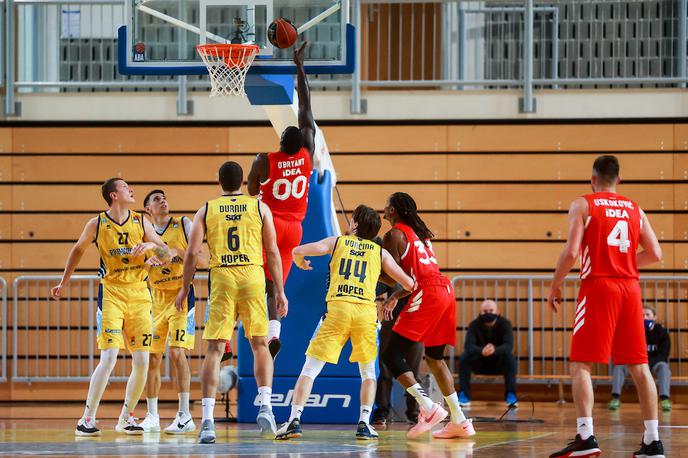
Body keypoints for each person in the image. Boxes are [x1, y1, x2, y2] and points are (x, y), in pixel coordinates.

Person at [547, 155, 665, 458]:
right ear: (619, 181)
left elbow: (572, 252)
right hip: (629, 288)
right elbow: (655, 253)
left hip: (598, 286)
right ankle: (652, 442)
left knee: (581, 363)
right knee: (639, 366)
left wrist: (555, 284)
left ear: (593, 179)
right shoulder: (635, 209)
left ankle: (586, 437)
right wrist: (623, 264)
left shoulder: (584, 204)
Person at [274, 205, 415, 441]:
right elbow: (409, 284)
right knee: (368, 373)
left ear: (356, 225)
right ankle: (363, 423)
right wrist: (386, 286)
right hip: (365, 314)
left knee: (310, 370)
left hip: (337, 310)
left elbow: (301, 249)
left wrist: (299, 259)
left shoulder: (338, 242)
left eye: (351, 220)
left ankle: (294, 421)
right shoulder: (380, 253)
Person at [176, 161, 288, 444]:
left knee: (214, 350)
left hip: (223, 277)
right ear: (242, 181)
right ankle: (266, 407)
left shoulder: (207, 209)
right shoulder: (260, 207)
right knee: (260, 344)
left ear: (219, 181)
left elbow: (192, 253)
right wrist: (281, 291)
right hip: (253, 275)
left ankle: (208, 422)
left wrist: (184, 286)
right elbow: (273, 251)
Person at [51, 178, 170, 436]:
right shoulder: (97, 224)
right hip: (112, 294)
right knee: (109, 358)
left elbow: (167, 255)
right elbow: (77, 250)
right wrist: (63, 282)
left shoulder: (141, 222)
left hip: (140, 296)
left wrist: (152, 245)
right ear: (114, 195)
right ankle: (87, 418)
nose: (132, 190)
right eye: (126, 187)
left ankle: (126, 417)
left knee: (142, 361)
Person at [379, 192, 475, 440]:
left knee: (390, 355)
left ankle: (429, 407)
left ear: (393, 211)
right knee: (435, 358)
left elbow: (391, 276)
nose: (383, 212)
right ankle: (460, 421)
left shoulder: (394, 235)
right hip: (444, 289)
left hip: (428, 293)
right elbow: (415, 279)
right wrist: (396, 297)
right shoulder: (422, 235)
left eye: (386, 208)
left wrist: (369, 267)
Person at [247, 42, 315, 360]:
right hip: (296, 229)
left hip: (270, 224)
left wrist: (259, 187)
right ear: (303, 141)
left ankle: (241, 335)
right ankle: (275, 334)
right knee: (277, 285)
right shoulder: (307, 152)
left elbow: (249, 190)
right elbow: (306, 112)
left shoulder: (265, 159)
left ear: (280, 142)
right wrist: (300, 68)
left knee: (255, 279)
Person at [139, 189, 199, 434]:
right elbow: (134, 269)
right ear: (147, 209)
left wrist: (177, 252)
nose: (163, 200)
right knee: (151, 358)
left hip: (181, 297)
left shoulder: (184, 224)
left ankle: (185, 415)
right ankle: (152, 415)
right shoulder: (143, 233)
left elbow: (202, 259)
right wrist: (145, 263)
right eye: (156, 199)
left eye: (164, 197)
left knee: (176, 353)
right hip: (155, 301)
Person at [371, 281, 422, 426]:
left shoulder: (421, 271)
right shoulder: (393, 268)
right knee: (384, 369)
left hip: (415, 323)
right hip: (391, 322)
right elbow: (375, 289)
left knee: (413, 371)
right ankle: (381, 411)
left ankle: (414, 413)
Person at [609, 306, 672, 412]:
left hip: (654, 363)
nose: (645, 317)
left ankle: (664, 398)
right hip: (635, 363)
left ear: (654, 317)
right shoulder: (633, 331)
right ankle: (615, 398)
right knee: (619, 367)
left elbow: (664, 354)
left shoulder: (662, 332)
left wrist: (647, 364)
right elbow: (627, 350)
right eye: (642, 315)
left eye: (648, 315)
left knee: (664, 368)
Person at [458, 300, 518, 408]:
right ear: (480, 313)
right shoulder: (474, 325)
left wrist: (495, 350)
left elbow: (508, 346)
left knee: (510, 358)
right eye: (485, 311)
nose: (488, 313)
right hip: (480, 363)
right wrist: (482, 351)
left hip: (498, 364)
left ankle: (511, 394)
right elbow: (469, 346)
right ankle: (464, 395)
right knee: (464, 357)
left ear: (497, 312)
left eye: (491, 310)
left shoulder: (505, 324)